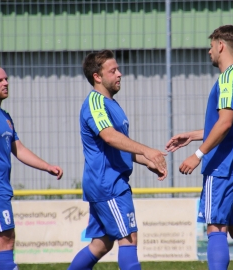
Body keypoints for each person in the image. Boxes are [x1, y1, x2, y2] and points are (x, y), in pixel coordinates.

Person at [165, 25, 233, 270]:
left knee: (215, 226)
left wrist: (198, 154)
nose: (209, 51)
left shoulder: (228, 78)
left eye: (211, 46)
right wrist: (193, 135)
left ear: (221, 45)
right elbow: (232, 126)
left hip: (222, 165)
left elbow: (225, 122)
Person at [68, 50, 167, 270]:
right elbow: (110, 137)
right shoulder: (95, 102)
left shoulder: (111, 104)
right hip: (108, 184)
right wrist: (148, 151)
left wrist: (145, 160)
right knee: (129, 238)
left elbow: (117, 146)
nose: (120, 74)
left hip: (110, 182)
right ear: (97, 76)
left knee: (101, 244)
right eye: (113, 71)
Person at [0, 63, 63, 269]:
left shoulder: (4, 116)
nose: (6, 83)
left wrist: (47, 166)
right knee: (6, 239)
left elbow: (17, 148)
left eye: (6, 79)